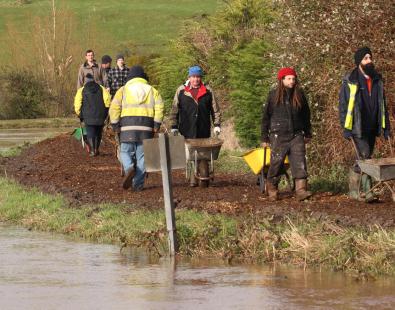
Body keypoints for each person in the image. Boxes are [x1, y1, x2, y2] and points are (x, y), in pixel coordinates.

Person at [339, 47, 391, 202]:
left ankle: (355, 190)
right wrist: (346, 127)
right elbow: (343, 105)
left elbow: (383, 105)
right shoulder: (350, 80)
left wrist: (386, 127)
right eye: (366, 58)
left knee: (363, 159)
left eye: (370, 57)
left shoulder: (377, 79)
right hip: (357, 127)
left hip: (372, 125)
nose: (369, 61)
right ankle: (367, 192)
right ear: (359, 62)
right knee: (366, 157)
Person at [109, 65, 164, 191]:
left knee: (125, 152)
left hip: (127, 128)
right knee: (142, 157)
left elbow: (114, 108)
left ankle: (129, 169)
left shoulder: (122, 90)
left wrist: (115, 125)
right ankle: (138, 185)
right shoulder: (152, 90)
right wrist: (156, 125)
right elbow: (160, 107)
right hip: (146, 129)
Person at [261, 67, 312, 201]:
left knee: (299, 162)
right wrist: (264, 137)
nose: (292, 81)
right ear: (282, 80)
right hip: (278, 135)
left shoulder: (299, 95)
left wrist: (308, 133)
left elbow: (306, 115)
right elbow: (266, 117)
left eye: (293, 79)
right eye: (289, 79)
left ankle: (301, 190)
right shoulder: (273, 95)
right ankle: (272, 188)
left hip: (296, 135)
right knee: (276, 163)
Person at [169, 65, 221, 186]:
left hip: (203, 127)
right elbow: (174, 109)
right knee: (191, 154)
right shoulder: (181, 90)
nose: (195, 79)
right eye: (193, 77)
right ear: (189, 77)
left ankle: (201, 172)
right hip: (187, 128)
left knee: (202, 153)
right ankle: (192, 175)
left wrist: (217, 124)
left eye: (198, 77)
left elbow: (215, 109)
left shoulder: (208, 91)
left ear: (200, 78)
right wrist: (174, 125)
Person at [74, 73, 111, 157]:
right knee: (98, 132)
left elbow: (77, 103)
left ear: (85, 81)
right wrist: (106, 112)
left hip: (87, 115)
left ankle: (92, 150)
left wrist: (79, 114)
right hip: (101, 114)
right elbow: (108, 101)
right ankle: (96, 149)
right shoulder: (102, 88)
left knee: (90, 131)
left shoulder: (81, 90)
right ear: (93, 80)